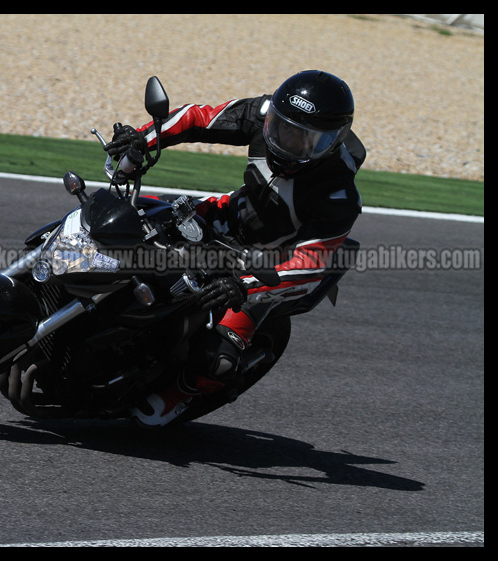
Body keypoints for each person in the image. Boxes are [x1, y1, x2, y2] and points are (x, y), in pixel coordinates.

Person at [104, 70, 365, 427]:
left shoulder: (339, 195)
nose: (288, 141)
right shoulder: (261, 114)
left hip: (265, 264)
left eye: (305, 140)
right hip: (226, 214)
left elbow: (309, 265)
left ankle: (181, 393)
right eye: (283, 128)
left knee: (219, 359)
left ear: (332, 142)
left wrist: (244, 286)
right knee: (127, 223)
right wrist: (142, 140)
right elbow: (199, 118)